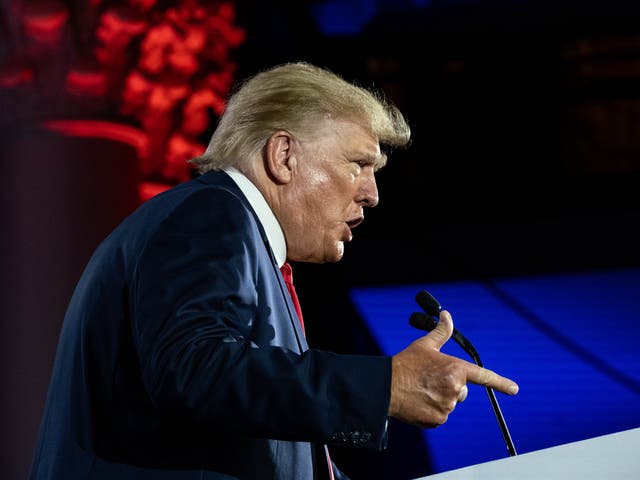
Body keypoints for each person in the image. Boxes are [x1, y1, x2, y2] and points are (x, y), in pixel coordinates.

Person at [28, 61, 519, 480]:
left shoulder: (245, 242)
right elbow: (195, 368)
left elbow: (255, 431)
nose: (372, 194)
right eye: (358, 164)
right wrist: (385, 386)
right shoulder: (208, 215)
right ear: (283, 155)